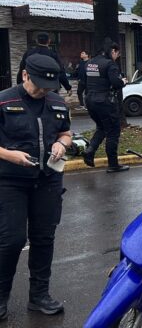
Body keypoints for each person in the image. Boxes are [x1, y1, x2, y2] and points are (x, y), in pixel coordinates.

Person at [0, 54, 72, 320]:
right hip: (11, 181)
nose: (43, 91)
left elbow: (66, 132)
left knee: (44, 238)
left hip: (48, 180)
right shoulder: (4, 101)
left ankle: (39, 296)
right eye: (39, 85)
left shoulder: (56, 102)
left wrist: (62, 144)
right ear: (25, 75)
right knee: (12, 240)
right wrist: (10, 155)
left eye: (48, 87)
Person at [82, 41, 129, 173]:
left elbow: (84, 81)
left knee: (102, 127)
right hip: (105, 101)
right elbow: (116, 83)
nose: (117, 57)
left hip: (90, 100)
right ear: (113, 51)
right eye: (117, 54)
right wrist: (123, 82)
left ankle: (90, 151)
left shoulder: (89, 63)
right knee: (113, 132)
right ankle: (113, 164)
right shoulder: (110, 64)